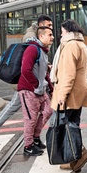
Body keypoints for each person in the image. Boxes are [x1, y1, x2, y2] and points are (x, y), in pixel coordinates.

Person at [0, 15, 52, 146]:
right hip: (26, 83)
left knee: (42, 110)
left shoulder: (36, 36)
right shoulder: (31, 37)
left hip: (33, 83)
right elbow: (28, 63)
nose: (51, 31)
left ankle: (34, 138)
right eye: (49, 26)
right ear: (41, 25)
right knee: (13, 108)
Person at [50, 19, 87, 172]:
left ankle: (79, 153)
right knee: (73, 125)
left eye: (62, 32)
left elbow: (68, 73)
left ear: (67, 31)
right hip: (79, 91)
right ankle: (74, 160)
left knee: (65, 126)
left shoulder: (70, 46)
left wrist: (62, 94)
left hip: (70, 94)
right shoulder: (81, 44)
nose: (60, 35)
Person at [18, 26, 54, 156]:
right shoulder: (32, 49)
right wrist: (36, 84)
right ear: (41, 36)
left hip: (40, 89)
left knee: (48, 110)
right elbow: (25, 70)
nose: (52, 37)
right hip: (29, 90)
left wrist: (50, 88)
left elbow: (44, 72)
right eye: (50, 34)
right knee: (30, 119)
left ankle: (36, 138)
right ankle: (28, 146)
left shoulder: (43, 50)